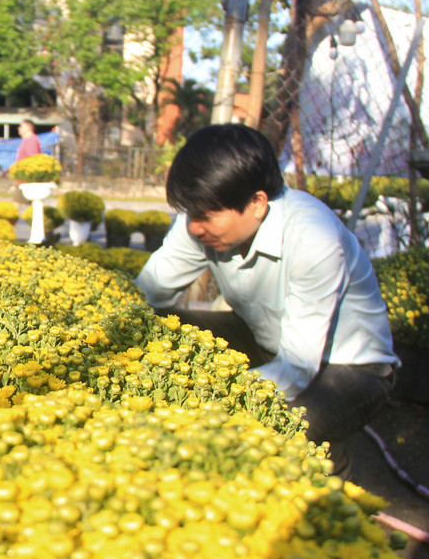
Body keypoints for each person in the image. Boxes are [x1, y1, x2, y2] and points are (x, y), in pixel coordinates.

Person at [134, 123, 397, 467]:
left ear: (257, 202)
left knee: (270, 431)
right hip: (265, 340)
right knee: (151, 322)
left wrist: (206, 393)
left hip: (349, 369)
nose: (195, 227)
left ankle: (330, 471)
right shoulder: (199, 225)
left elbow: (297, 368)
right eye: (190, 213)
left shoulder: (313, 239)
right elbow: (145, 292)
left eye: (206, 215)